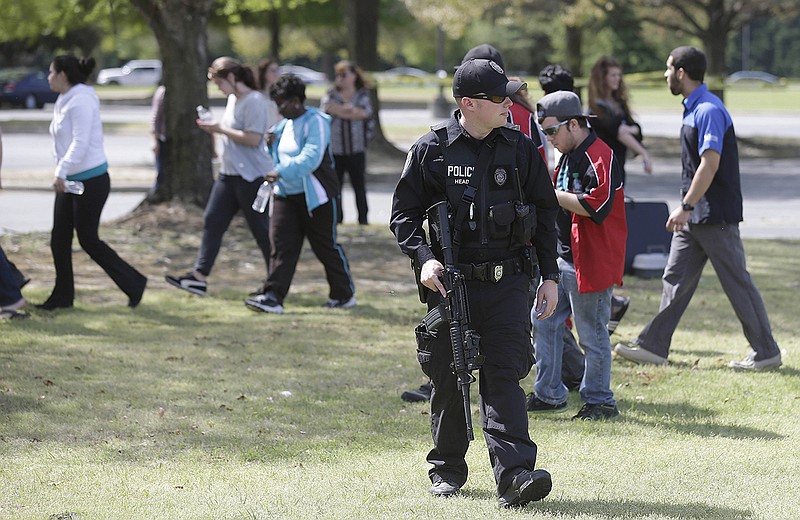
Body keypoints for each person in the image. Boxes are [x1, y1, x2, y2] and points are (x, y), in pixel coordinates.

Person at [391, 58, 559, 506]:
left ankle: (516, 475)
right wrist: (424, 259)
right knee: (449, 376)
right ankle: (447, 469)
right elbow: (403, 215)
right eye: (500, 97)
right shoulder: (433, 150)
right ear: (469, 103)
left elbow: (544, 214)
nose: (510, 103)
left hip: (508, 281)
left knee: (504, 374)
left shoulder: (520, 148)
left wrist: (550, 275)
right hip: (450, 283)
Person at [614, 46, 783, 371]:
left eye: (668, 68)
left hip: (713, 215)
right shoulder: (693, 107)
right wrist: (688, 208)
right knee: (675, 278)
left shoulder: (708, 110)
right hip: (694, 215)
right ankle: (653, 346)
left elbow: (710, 163)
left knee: (737, 282)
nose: (665, 74)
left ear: (681, 72)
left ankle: (766, 352)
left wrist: (686, 206)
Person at [527, 91, 626, 421]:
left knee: (592, 333)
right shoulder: (567, 154)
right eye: (545, 133)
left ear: (573, 123)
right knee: (545, 323)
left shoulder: (601, 154)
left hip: (592, 260)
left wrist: (550, 195)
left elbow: (597, 206)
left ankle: (600, 400)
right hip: (562, 258)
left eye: (552, 131)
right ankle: (549, 393)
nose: (550, 139)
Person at [38, 55, 147, 311]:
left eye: (52, 72)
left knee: (88, 239)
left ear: (64, 74)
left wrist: (61, 171)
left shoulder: (81, 101)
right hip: (71, 181)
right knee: (59, 240)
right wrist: (63, 172)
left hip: (91, 180)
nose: (48, 77)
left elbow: (80, 142)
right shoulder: (64, 98)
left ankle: (134, 283)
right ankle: (62, 297)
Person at [244, 74, 356, 314]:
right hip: (286, 195)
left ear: (296, 100)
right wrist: (268, 144)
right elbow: (276, 155)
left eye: (282, 103)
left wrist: (280, 172)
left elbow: (310, 158)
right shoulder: (284, 124)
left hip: (316, 197)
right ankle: (273, 296)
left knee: (325, 247)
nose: (279, 109)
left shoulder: (316, 121)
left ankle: (343, 295)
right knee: (282, 246)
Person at [165, 57, 273, 300]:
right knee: (213, 220)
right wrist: (215, 132)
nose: (218, 88)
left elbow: (253, 139)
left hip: (251, 175)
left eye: (219, 83)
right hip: (229, 174)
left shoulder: (255, 101)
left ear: (233, 78)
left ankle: (276, 279)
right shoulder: (233, 99)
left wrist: (219, 129)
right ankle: (198, 278)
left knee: (261, 229)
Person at [320, 60, 373, 225]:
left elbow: (365, 113)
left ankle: (363, 219)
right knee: (336, 187)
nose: (340, 78)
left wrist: (340, 110)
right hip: (336, 149)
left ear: (353, 76)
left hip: (357, 148)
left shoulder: (362, 93)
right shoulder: (331, 93)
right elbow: (326, 110)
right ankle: (338, 218)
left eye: (344, 74)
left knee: (359, 186)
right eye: (338, 75)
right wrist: (349, 111)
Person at [588, 56, 652, 177]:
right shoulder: (596, 108)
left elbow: (635, 127)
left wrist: (630, 129)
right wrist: (644, 153)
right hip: (603, 166)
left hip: (619, 163)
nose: (617, 79)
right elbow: (618, 131)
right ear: (602, 78)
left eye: (618, 75)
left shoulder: (618, 102)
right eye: (613, 75)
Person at [148, 82, 166, 199]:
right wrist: (154, 140)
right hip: (162, 139)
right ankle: (155, 196)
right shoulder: (162, 92)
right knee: (161, 173)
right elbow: (154, 118)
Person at [257, 58, 282, 129]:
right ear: (264, 73)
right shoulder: (257, 96)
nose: (276, 73)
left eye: (278, 70)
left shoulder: (281, 94)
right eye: (272, 70)